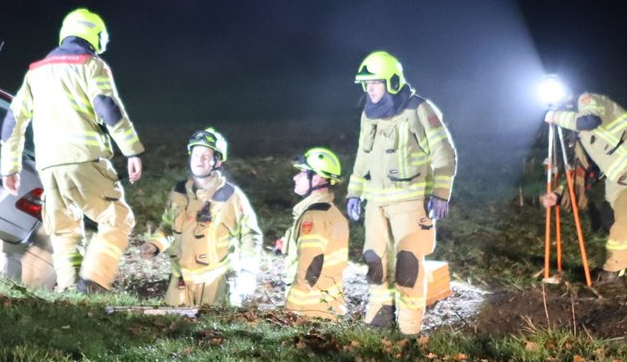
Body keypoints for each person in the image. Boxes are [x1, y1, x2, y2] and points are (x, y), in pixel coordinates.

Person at [0, 8, 144, 293]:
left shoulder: (35, 73)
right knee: (117, 218)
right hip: (85, 158)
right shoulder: (91, 65)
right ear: (96, 36)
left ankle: (68, 290)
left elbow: (13, 121)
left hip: (49, 166)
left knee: (64, 229)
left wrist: (10, 167)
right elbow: (107, 107)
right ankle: (94, 281)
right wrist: (132, 150)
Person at [346, 50, 457, 335]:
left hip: (411, 201)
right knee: (375, 260)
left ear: (392, 82)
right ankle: (377, 322)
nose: (369, 88)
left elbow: (445, 153)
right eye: (366, 83)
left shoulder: (419, 109)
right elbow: (363, 154)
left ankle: (409, 330)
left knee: (407, 264)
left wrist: (441, 193)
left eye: (375, 82)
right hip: (376, 203)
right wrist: (354, 192)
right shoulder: (368, 114)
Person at [541, 91, 627, 286]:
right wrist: (558, 194)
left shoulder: (587, 99)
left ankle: (614, 272)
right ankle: (617, 270)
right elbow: (582, 172)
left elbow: (590, 120)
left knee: (618, 220)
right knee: (608, 218)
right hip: (620, 169)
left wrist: (556, 117)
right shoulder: (579, 135)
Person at [140, 128, 263, 307]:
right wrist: (154, 245)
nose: (199, 159)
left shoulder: (230, 195)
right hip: (181, 279)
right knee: (171, 330)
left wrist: (248, 273)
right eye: (196, 154)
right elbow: (167, 226)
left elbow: (250, 235)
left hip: (217, 279)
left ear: (217, 161)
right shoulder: (178, 192)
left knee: (215, 330)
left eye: (206, 155)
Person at [280, 147, 349, 321]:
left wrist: (289, 311)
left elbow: (309, 270)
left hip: (310, 312)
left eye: (302, 173)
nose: (296, 177)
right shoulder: (331, 213)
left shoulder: (314, 217)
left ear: (317, 178)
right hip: (327, 308)